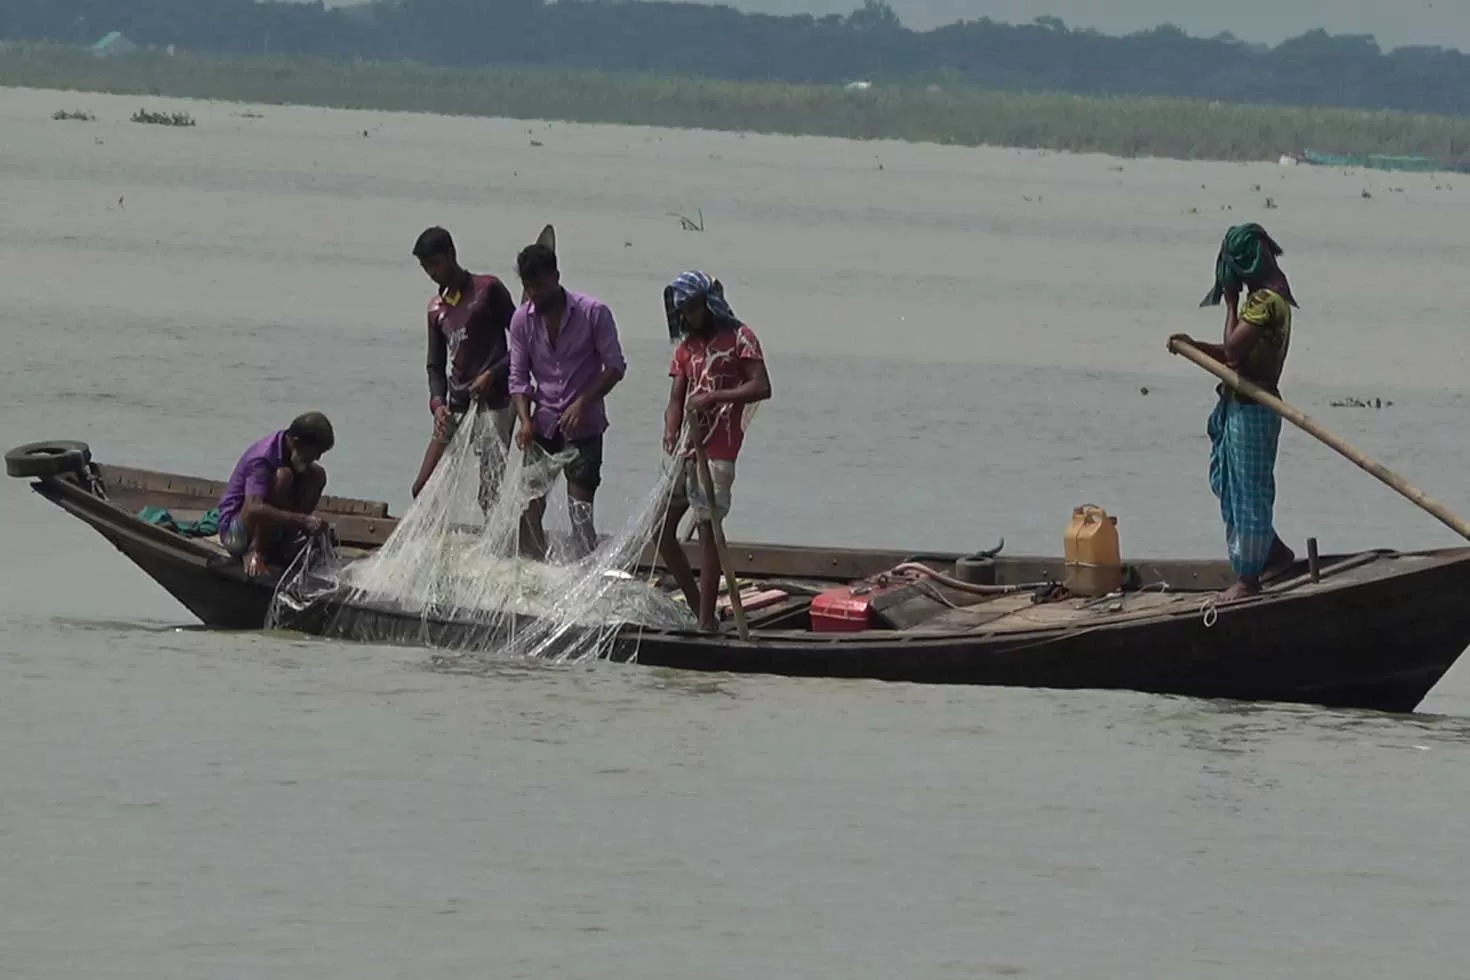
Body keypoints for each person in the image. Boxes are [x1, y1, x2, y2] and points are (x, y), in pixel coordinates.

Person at [1170, 222, 1299, 602]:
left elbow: (1232, 352)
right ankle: (1272, 553)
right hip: (1238, 405)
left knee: (1250, 494)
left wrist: (1229, 302)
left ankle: (1248, 580)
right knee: (1227, 483)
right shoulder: (1266, 296)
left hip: (1255, 410)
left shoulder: (1265, 302)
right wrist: (1193, 345)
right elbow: (1233, 351)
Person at [656, 271, 772, 632]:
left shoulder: (740, 338)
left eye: (693, 308)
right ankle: (697, 606)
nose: (689, 316)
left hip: (719, 446)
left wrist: (717, 397)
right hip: (688, 448)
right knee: (660, 531)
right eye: (684, 310)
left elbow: (761, 386)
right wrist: (671, 428)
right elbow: (676, 398)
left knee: (708, 530)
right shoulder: (686, 347)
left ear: (708, 304)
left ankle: (706, 622)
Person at [507, 242, 627, 560]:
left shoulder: (593, 313)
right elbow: (518, 380)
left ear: (556, 277)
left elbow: (615, 367)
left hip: (584, 426)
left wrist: (583, 402)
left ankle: (582, 574)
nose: (535, 294)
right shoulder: (522, 321)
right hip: (543, 425)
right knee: (529, 507)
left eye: (540, 285)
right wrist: (526, 420)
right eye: (528, 287)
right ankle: (533, 570)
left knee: (580, 512)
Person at [409, 226, 519, 507]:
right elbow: (435, 365)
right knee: (423, 487)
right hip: (455, 407)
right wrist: (437, 404)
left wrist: (492, 375)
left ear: (451, 254)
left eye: (435, 264)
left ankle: (490, 547)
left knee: (489, 493)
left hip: (495, 403)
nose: (432, 272)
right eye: (425, 268)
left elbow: (523, 345)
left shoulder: (487, 290)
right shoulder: (436, 308)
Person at [217, 412, 336, 578]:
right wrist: (301, 520)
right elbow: (253, 507)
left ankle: (286, 547)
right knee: (284, 477)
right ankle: (256, 551)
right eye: (315, 452)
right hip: (236, 534)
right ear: (297, 443)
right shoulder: (262, 457)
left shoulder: (294, 456)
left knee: (317, 474)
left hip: (271, 532)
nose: (317, 457)